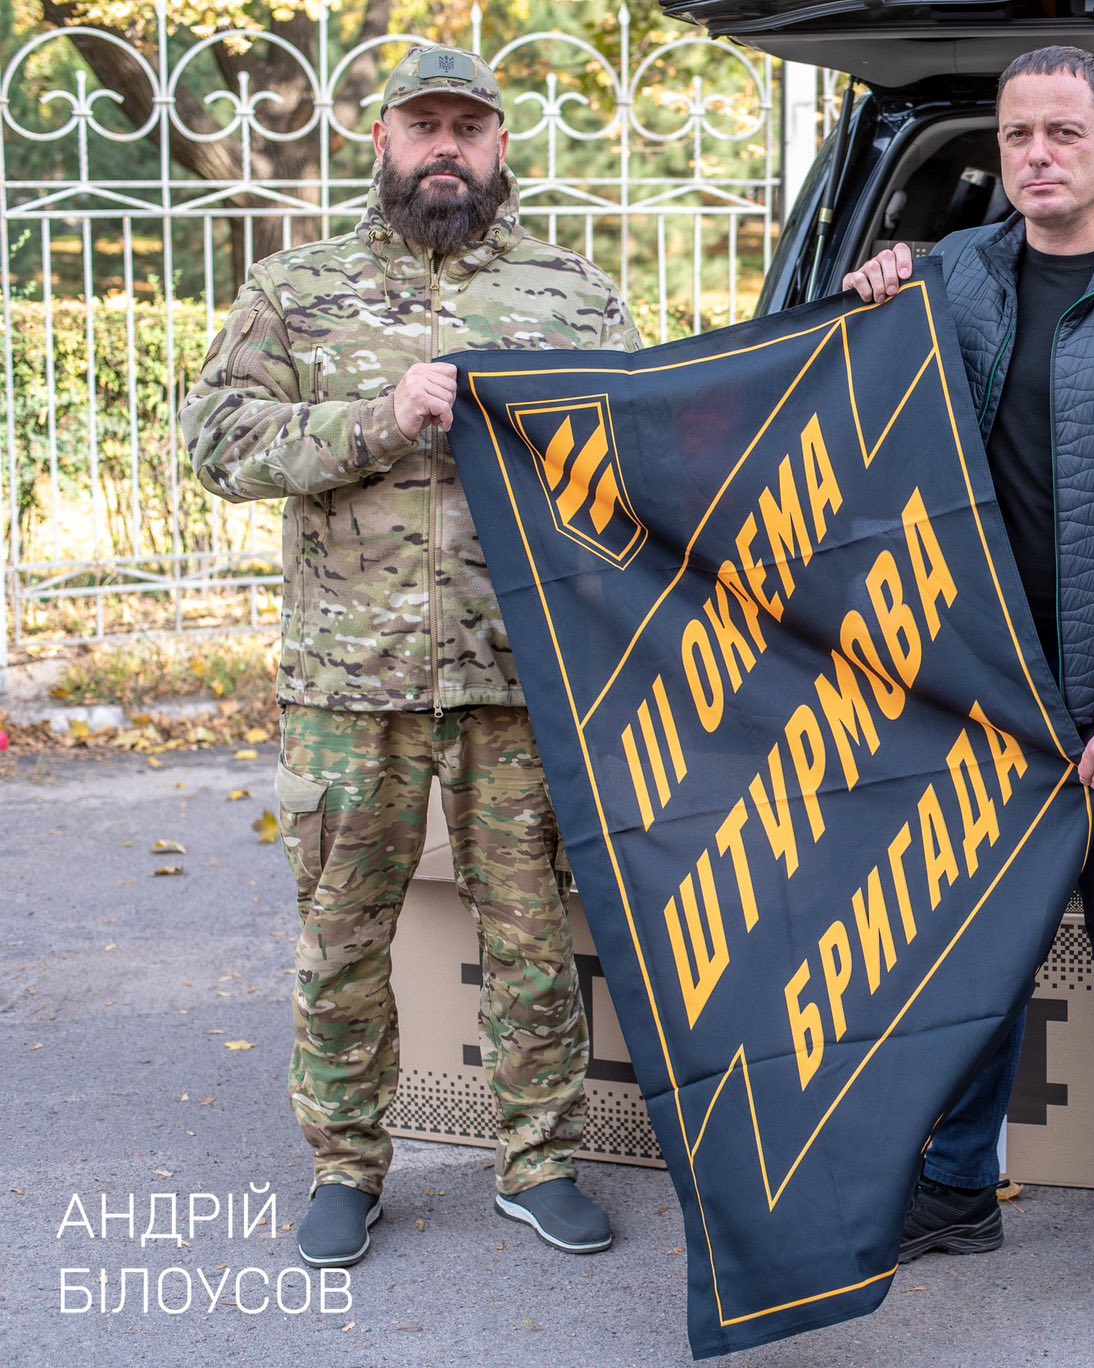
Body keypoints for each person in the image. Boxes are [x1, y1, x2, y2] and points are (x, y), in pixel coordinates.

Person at [180, 46, 641, 1270]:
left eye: (467, 128)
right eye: (424, 125)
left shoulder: (572, 295)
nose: (447, 147)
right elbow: (217, 442)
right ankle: (345, 1166)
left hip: (516, 680)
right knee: (341, 938)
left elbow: (641, 457)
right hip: (347, 685)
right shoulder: (296, 290)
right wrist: (380, 419)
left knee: (533, 937)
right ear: (381, 141)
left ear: (499, 148)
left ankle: (538, 1161)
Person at [842, 45, 1094, 1330]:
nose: (1036, 154)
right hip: (970, 693)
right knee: (972, 950)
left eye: (1063, 132)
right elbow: (849, 416)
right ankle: (957, 1187)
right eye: (1017, 133)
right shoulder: (946, 276)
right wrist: (870, 293)